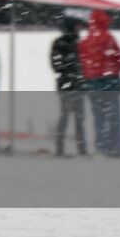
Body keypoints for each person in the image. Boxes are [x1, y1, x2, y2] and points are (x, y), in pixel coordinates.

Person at [79, 10, 120, 157]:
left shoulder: (85, 41)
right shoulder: (109, 38)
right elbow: (119, 59)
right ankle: (115, 148)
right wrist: (113, 72)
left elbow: (82, 63)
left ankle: (102, 147)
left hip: (93, 84)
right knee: (114, 118)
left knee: (98, 118)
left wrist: (90, 75)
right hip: (110, 82)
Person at [50, 17, 87, 157]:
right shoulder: (77, 43)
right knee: (75, 118)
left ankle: (61, 148)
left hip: (68, 84)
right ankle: (79, 149)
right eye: (77, 27)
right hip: (75, 84)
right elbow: (57, 65)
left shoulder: (60, 43)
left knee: (68, 117)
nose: (79, 29)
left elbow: (56, 65)